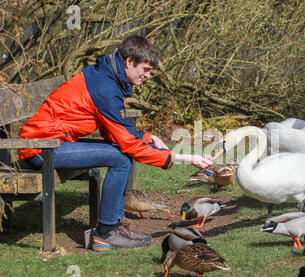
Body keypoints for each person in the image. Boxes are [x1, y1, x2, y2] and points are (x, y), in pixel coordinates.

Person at [17, 35, 213, 251]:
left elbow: (114, 131)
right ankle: (106, 233)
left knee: (122, 153)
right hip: (40, 149)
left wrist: (148, 137)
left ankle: (115, 226)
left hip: (56, 143)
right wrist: (184, 158)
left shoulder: (107, 78)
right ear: (129, 62)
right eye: (145, 69)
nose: (147, 76)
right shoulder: (105, 87)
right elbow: (127, 143)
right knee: (120, 157)